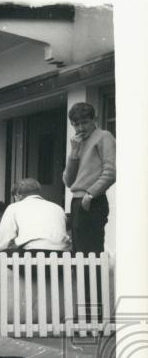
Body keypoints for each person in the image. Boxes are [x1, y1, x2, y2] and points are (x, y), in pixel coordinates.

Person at [62, 102, 115, 254]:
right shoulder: (77, 143)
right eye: (76, 124)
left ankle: (94, 279)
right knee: (78, 252)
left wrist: (91, 194)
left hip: (93, 200)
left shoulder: (104, 136)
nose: (80, 129)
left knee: (90, 251)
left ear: (94, 119)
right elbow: (68, 181)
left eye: (85, 122)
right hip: (77, 201)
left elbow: (111, 171)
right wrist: (74, 153)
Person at [0, 178, 70, 255]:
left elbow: (2, 242)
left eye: (14, 198)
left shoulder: (14, 207)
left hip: (31, 256)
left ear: (18, 195)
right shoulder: (58, 208)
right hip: (61, 255)